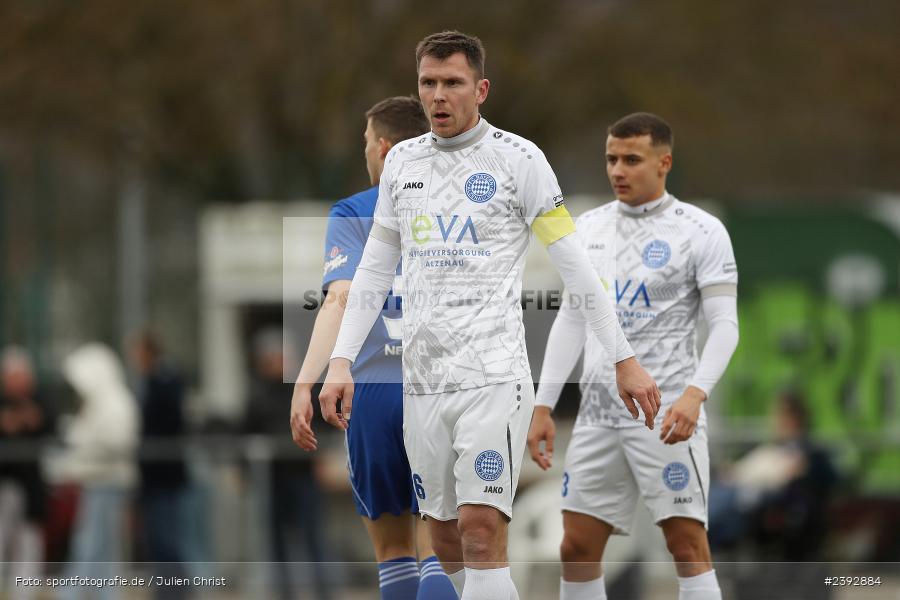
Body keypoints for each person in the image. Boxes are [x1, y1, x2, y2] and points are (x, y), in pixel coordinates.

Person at [319, 31, 660, 600]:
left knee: (481, 533)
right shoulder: (403, 162)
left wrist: (624, 358)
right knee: (446, 542)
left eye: (452, 83)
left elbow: (575, 267)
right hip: (423, 385)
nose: (438, 96)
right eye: (428, 83)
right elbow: (375, 273)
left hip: (492, 378)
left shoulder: (518, 160)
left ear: (480, 89)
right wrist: (340, 362)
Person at [527, 112, 740, 600]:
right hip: (599, 416)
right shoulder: (587, 229)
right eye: (610, 159)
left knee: (686, 547)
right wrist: (543, 404)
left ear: (664, 163)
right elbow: (572, 322)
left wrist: (694, 396)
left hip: (667, 414)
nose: (617, 170)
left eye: (632, 159)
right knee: (576, 548)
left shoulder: (701, 231)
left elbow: (726, 325)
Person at [290, 96, 457, 600]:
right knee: (444, 549)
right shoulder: (458, 208)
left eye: (366, 143)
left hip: (376, 391)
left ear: (383, 148)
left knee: (393, 554)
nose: (365, 152)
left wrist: (306, 380)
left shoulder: (355, 212)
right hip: (444, 386)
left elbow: (340, 297)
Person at [130, 331, 190, 599]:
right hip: (151, 477)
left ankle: (176, 591)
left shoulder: (165, 380)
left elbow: (169, 422)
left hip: (165, 474)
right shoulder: (149, 381)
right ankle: (164, 590)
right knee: (155, 538)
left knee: (167, 538)